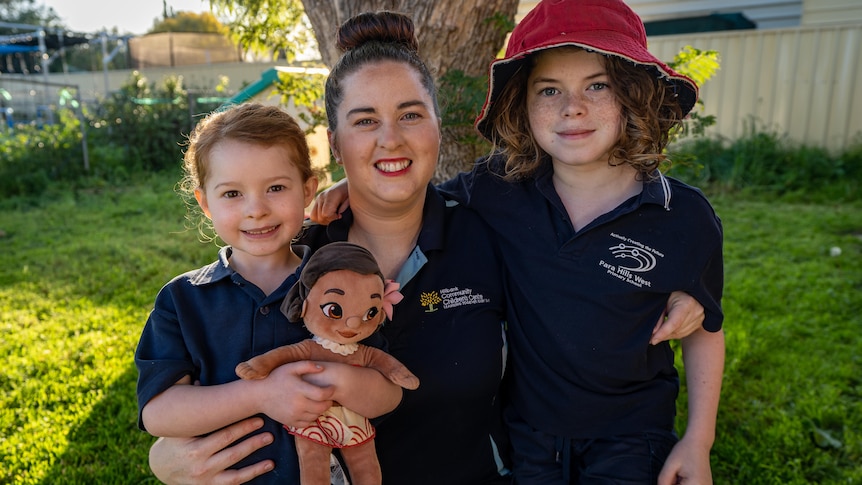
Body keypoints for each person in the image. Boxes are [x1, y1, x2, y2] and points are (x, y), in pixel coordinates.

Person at [145, 10, 708, 485]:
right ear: (335, 142)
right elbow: (211, 365)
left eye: (410, 115)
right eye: (364, 121)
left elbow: (584, 250)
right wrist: (166, 457)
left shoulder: (490, 225)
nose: (391, 139)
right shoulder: (293, 254)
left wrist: (686, 288)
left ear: (439, 127)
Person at [315, 1, 726, 483]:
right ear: (523, 106)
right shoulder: (500, 189)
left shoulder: (684, 216)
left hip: (632, 435)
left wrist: (699, 439)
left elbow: (706, 328)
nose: (573, 108)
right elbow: (411, 192)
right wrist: (354, 187)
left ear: (633, 95)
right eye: (549, 90)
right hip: (530, 437)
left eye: (598, 85)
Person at [134, 103, 404, 484]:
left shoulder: (338, 285)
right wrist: (259, 395)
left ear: (308, 190)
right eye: (232, 194)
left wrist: (337, 380)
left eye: (275, 188)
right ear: (205, 203)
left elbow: (388, 395)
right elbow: (159, 413)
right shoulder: (182, 301)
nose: (256, 210)